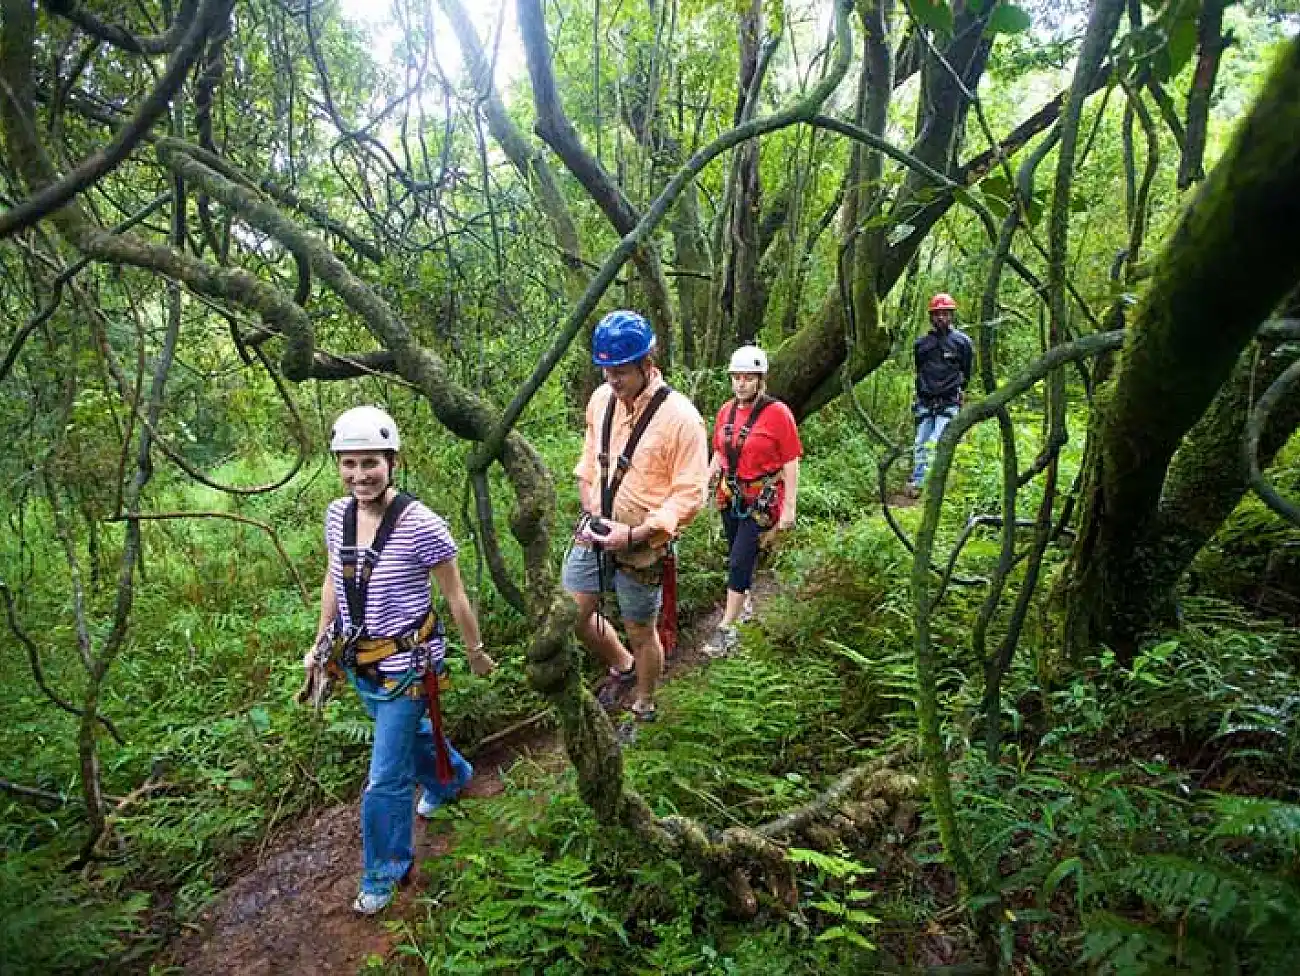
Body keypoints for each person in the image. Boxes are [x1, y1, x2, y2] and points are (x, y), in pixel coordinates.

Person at [302, 406, 496, 916]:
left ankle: (384, 870)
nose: (359, 475)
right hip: (361, 662)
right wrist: (321, 642)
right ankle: (451, 777)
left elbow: (454, 595)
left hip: (409, 667)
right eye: (348, 463)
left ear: (392, 461)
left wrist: (473, 652)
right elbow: (333, 579)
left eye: (370, 462)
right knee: (413, 739)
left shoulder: (420, 524)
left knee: (384, 776)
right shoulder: (335, 516)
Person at [563, 310, 709, 726]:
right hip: (595, 531)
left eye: (621, 371)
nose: (612, 380)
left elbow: (689, 493)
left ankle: (644, 703)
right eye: (606, 370)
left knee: (641, 629)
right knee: (573, 613)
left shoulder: (681, 418)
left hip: (644, 544)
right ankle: (621, 665)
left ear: (647, 363)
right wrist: (590, 500)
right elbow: (590, 460)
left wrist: (636, 534)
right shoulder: (600, 401)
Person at [703, 345, 802, 657]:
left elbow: (790, 460)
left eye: (748, 378)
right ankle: (744, 604)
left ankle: (726, 628)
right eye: (737, 377)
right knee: (735, 552)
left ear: (761, 380)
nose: (741, 383)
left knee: (739, 559)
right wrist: (709, 475)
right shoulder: (725, 411)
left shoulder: (777, 414)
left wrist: (789, 508)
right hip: (731, 494)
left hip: (763, 498)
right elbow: (721, 449)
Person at [907, 293, 973, 497]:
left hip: (949, 401)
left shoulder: (962, 342)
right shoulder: (922, 344)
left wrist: (959, 391)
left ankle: (932, 484)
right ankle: (918, 482)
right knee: (920, 442)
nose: (941, 318)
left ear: (951, 316)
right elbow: (919, 369)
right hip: (926, 401)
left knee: (936, 442)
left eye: (945, 314)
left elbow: (966, 370)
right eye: (937, 314)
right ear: (931, 317)